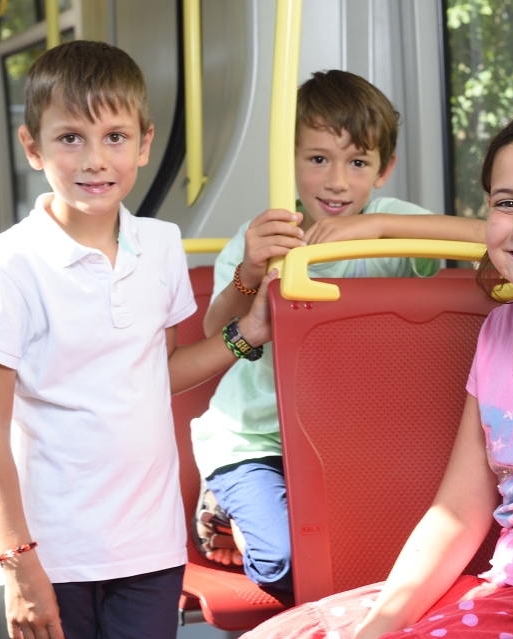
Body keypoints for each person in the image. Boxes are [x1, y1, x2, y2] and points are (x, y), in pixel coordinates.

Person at [239, 103, 513, 639]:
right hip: (512, 584)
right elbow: (460, 508)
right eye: (507, 203)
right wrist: (380, 625)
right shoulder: (499, 332)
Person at [0, 41, 276, 639]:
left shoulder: (161, 244)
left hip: (149, 545)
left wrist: (244, 334)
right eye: (70, 137)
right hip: (55, 551)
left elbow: (161, 371)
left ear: (145, 143)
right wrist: (18, 564)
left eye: (115, 138)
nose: (95, 159)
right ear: (32, 146)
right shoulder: (7, 266)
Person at [190, 70, 487, 591]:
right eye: (318, 159)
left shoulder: (388, 224)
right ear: (290, 161)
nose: (336, 182)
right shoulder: (260, 235)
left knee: (402, 561)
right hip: (258, 439)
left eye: (357, 163)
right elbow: (217, 330)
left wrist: (376, 228)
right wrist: (250, 273)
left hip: (351, 441)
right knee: (287, 565)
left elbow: (491, 239)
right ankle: (223, 510)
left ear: (383, 170)